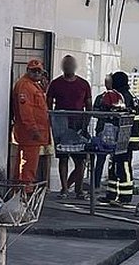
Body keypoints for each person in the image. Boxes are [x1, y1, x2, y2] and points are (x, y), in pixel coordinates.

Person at [47, 55, 92, 199]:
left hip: (78, 125)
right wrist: (52, 119)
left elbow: (89, 105)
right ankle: (65, 188)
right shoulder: (55, 84)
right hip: (61, 125)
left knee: (81, 160)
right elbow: (48, 103)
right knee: (63, 158)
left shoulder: (84, 84)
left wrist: (85, 123)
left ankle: (77, 189)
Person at [11, 59, 51, 183]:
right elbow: (26, 112)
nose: (37, 73)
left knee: (27, 165)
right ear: (28, 70)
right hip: (30, 135)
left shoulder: (33, 85)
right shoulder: (25, 86)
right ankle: (25, 193)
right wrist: (33, 130)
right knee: (28, 166)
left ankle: (22, 191)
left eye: (39, 71)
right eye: (34, 71)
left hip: (33, 134)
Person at [106, 71, 139, 206]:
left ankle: (125, 196)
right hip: (125, 137)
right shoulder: (128, 94)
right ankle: (112, 194)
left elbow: (118, 114)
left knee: (123, 165)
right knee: (113, 164)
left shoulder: (123, 96)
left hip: (126, 138)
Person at [92, 74, 125, 189]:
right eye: (107, 82)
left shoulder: (120, 97)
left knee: (115, 160)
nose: (108, 85)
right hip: (102, 131)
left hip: (115, 132)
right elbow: (94, 112)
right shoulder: (101, 98)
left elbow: (124, 112)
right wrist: (105, 113)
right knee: (100, 159)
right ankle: (96, 185)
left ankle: (114, 186)